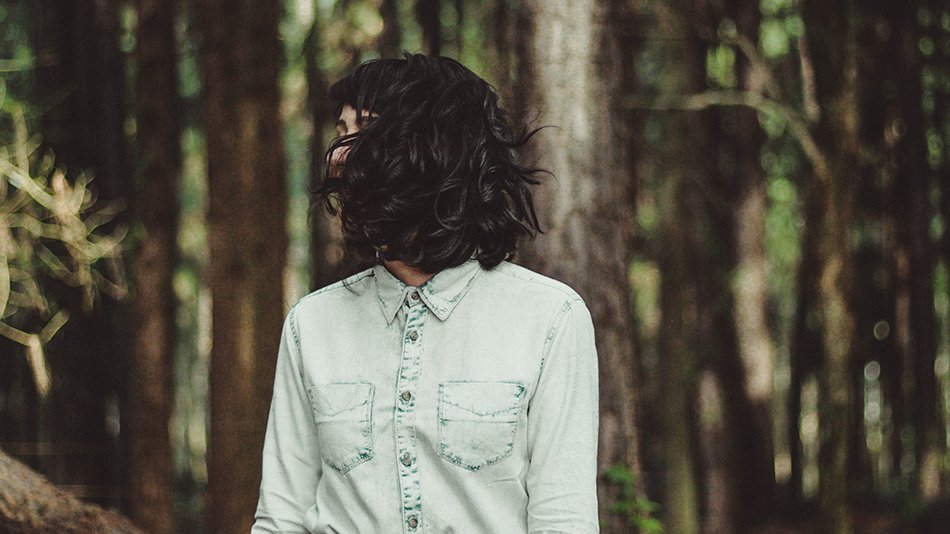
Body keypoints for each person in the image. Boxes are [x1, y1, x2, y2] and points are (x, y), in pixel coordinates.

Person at [252, 53, 599, 534]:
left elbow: (564, 522)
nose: (337, 154)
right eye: (340, 130)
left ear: (437, 146)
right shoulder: (312, 324)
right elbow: (281, 517)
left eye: (365, 129)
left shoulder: (550, 319)